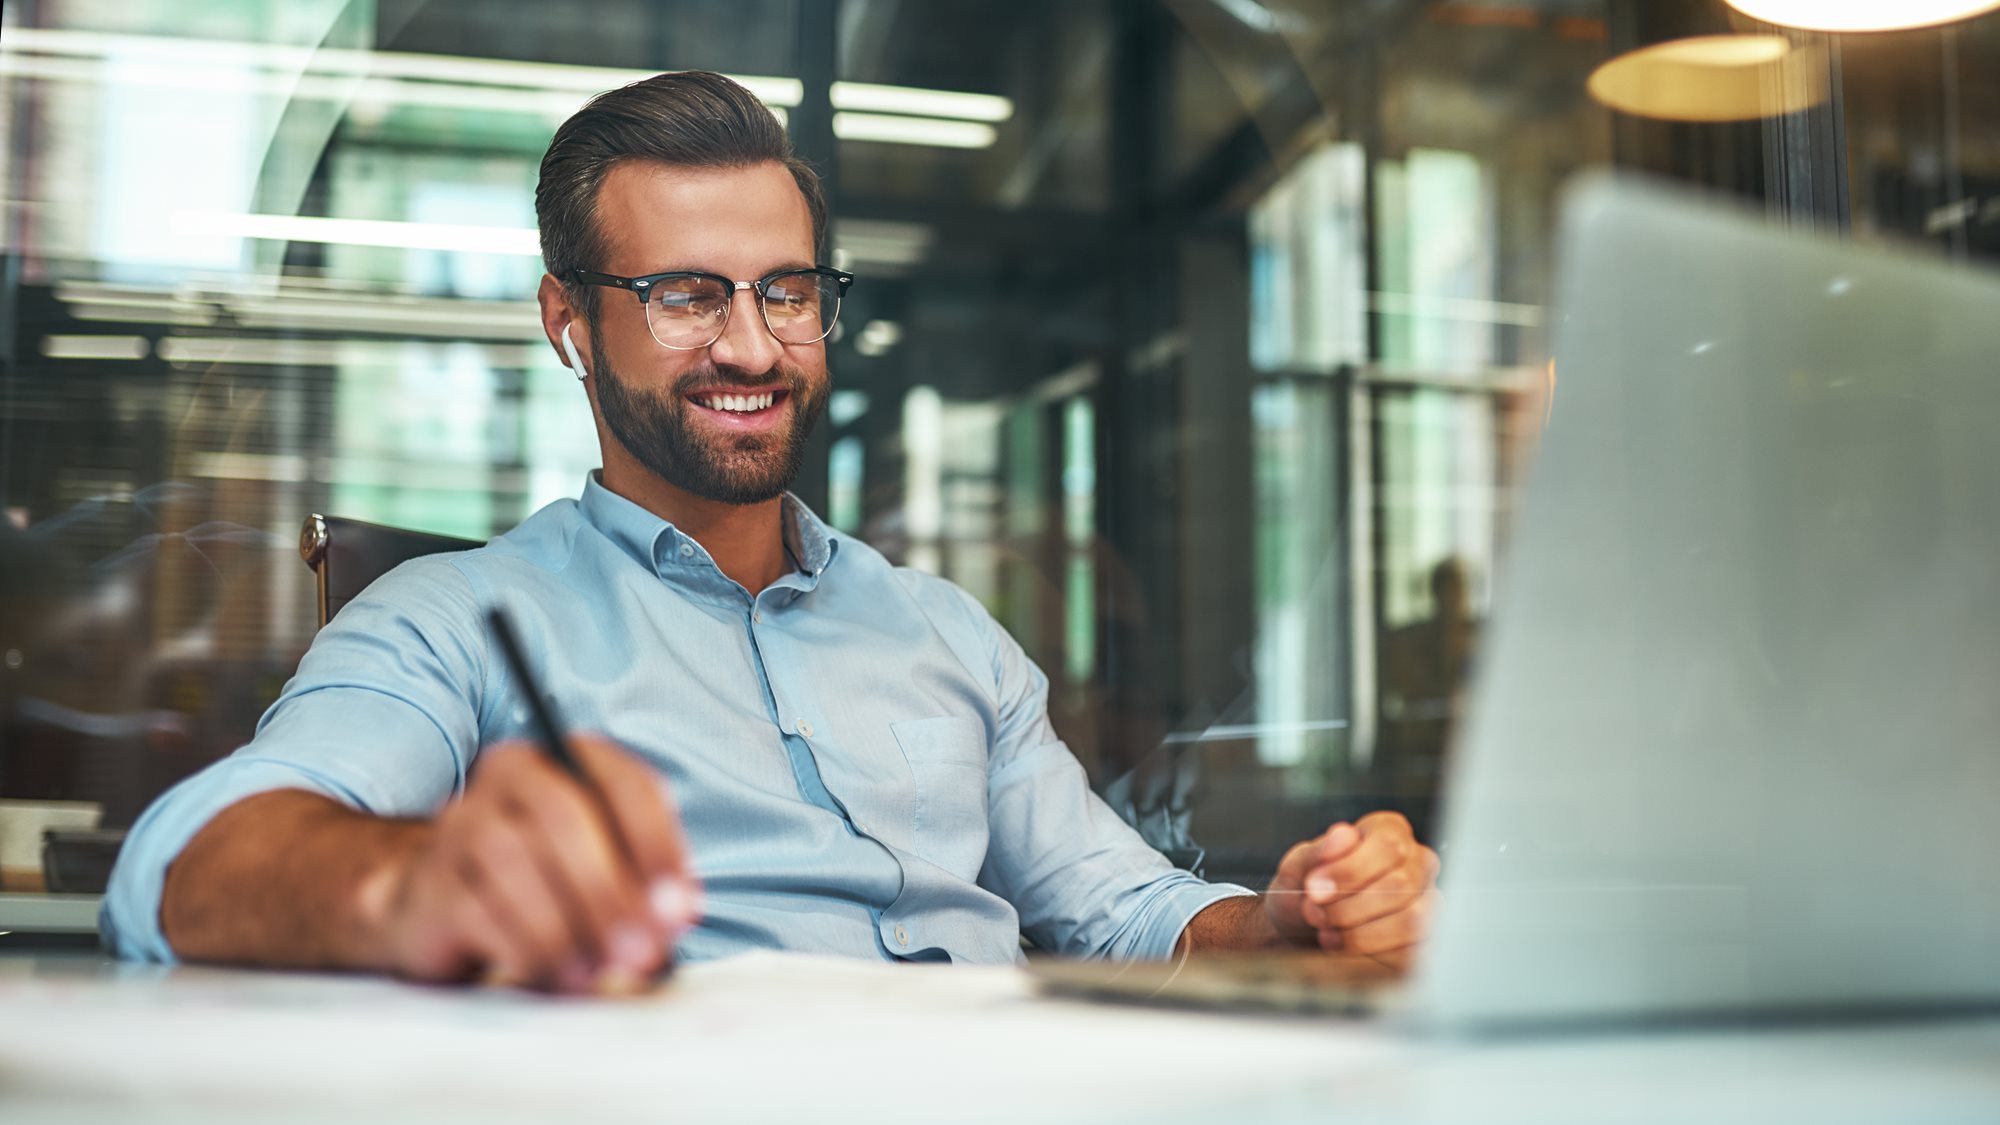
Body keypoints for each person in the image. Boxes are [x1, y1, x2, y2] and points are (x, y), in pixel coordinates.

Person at [103, 72, 1438, 995]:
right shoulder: (449, 621)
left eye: (786, 291)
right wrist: (407, 884)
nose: (751, 344)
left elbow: (1135, 912)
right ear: (569, 321)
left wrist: (1286, 919)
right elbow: (185, 863)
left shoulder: (943, 633)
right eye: (686, 294)